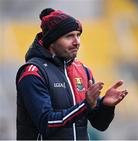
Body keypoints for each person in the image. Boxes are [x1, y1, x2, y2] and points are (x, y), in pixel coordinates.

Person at [15, 8, 128, 140]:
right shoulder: (33, 73)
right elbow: (46, 123)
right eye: (69, 36)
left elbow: (99, 124)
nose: (77, 42)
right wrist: (85, 105)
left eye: (78, 35)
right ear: (52, 40)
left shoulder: (83, 70)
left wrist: (106, 106)